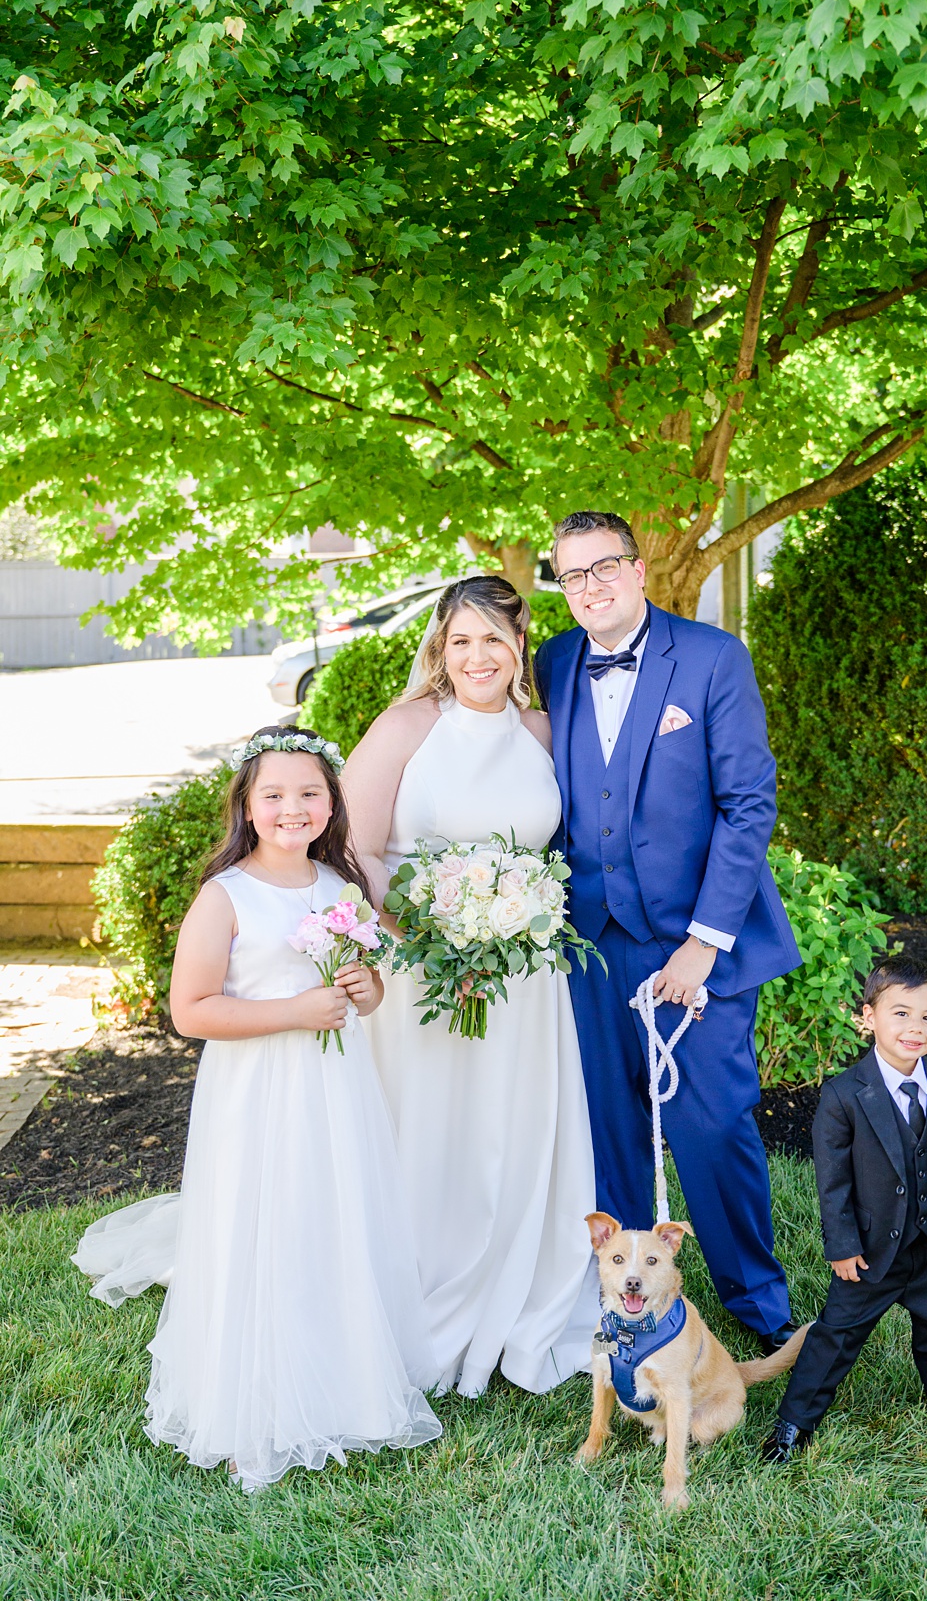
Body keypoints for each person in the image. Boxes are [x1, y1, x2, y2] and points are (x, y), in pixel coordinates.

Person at [71, 728, 442, 1489]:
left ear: (332, 801)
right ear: (245, 804)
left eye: (309, 793)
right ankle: (250, 1404)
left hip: (335, 1093)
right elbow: (191, 1012)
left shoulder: (340, 891)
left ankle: (342, 1379)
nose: (292, 808)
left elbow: (355, 989)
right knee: (262, 1226)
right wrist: (296, 1010)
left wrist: (364, 993)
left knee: (330, 1219)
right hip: (256, 1096)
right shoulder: (226, 896)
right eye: (272, 794)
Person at [531, 510, 802, 1349]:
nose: (590, 587)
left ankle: (760, 1306)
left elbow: (748, 802)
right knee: (611, 1130)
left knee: (711, 1125)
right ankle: (626, 1312)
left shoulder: (713, 658)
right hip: (591, 941)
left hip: (694, 943)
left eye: (604, 566)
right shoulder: (553, 662)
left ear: (638, 567)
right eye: (571, 575)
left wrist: (703, 941)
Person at [341, 575, 599, 1396]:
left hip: (524, 980)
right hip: (419, 976)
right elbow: (357, 851)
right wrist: (425, 937)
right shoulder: (407, 726)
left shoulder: (546, 732)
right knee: (432, 1131)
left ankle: (518, 1286)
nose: (477, 656)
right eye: (461, 640)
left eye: (495, 639)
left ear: (521, 646)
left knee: (512, 1132)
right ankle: (414, 1290)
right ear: (439, 650)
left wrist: (509, 924)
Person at [760, 955, 927, 1463]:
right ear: (868, 1017)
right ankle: (794, 1424)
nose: (914, 1028)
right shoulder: (845, 1095)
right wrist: (842, 1246)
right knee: (836, 1336)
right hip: (868, 1252)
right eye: (900, 1013)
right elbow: (834, 1182)